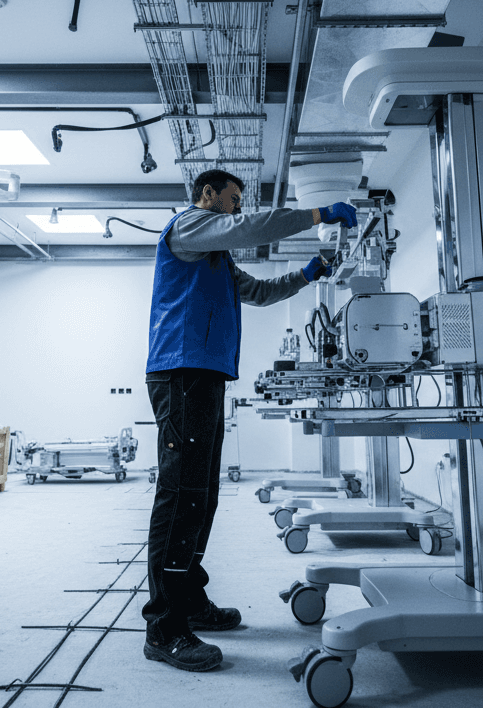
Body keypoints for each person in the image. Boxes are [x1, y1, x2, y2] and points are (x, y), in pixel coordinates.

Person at [142, 169, 358, 672]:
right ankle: (165, 626)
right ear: (208, 194)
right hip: (181, 373)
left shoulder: (215, 258)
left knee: (202, 494)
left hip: (205, 375)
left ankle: (190, 599)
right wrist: (319, 213)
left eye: (241, 202)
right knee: (180, 498)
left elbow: (258, 293)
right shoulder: (187, 228)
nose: (237, 209)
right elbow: (246, 229)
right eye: (232, 199)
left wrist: (309, 273)